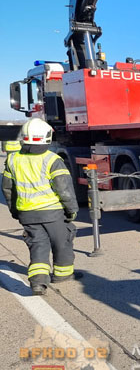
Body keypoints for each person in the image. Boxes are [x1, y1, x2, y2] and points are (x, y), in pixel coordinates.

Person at [2, 118, 80, 296]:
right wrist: (72, 210)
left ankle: (37, 283)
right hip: (52, 212)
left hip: (27, 214)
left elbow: (8, 189)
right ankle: (63, 275)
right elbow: (64, 189)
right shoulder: (52, 159)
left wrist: (15, 210)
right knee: (62, 242)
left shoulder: (13, 160)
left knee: (38, 245)